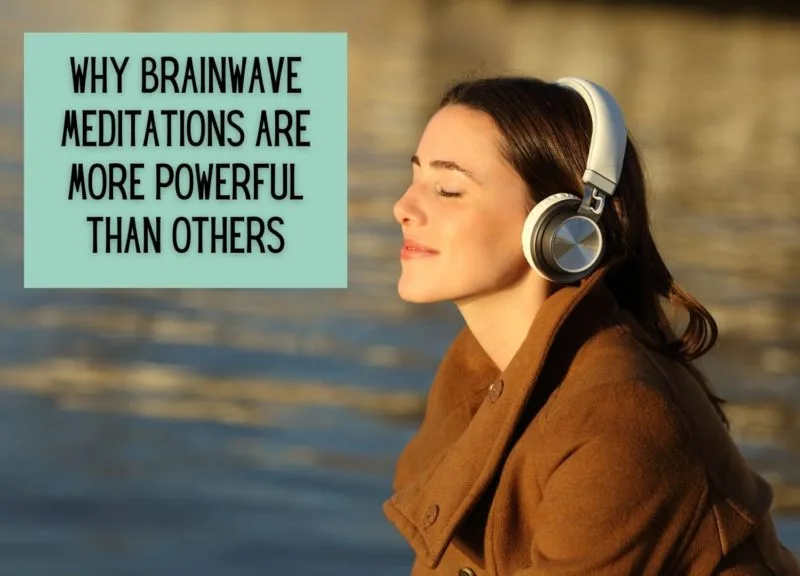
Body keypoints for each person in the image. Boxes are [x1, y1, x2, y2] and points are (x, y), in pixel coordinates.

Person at [382, 75, 800, 575]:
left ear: (562, 226)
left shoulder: (616, 416)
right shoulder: (473, 374)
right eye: (415, 179)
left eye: (448, 189)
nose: (402, 208)